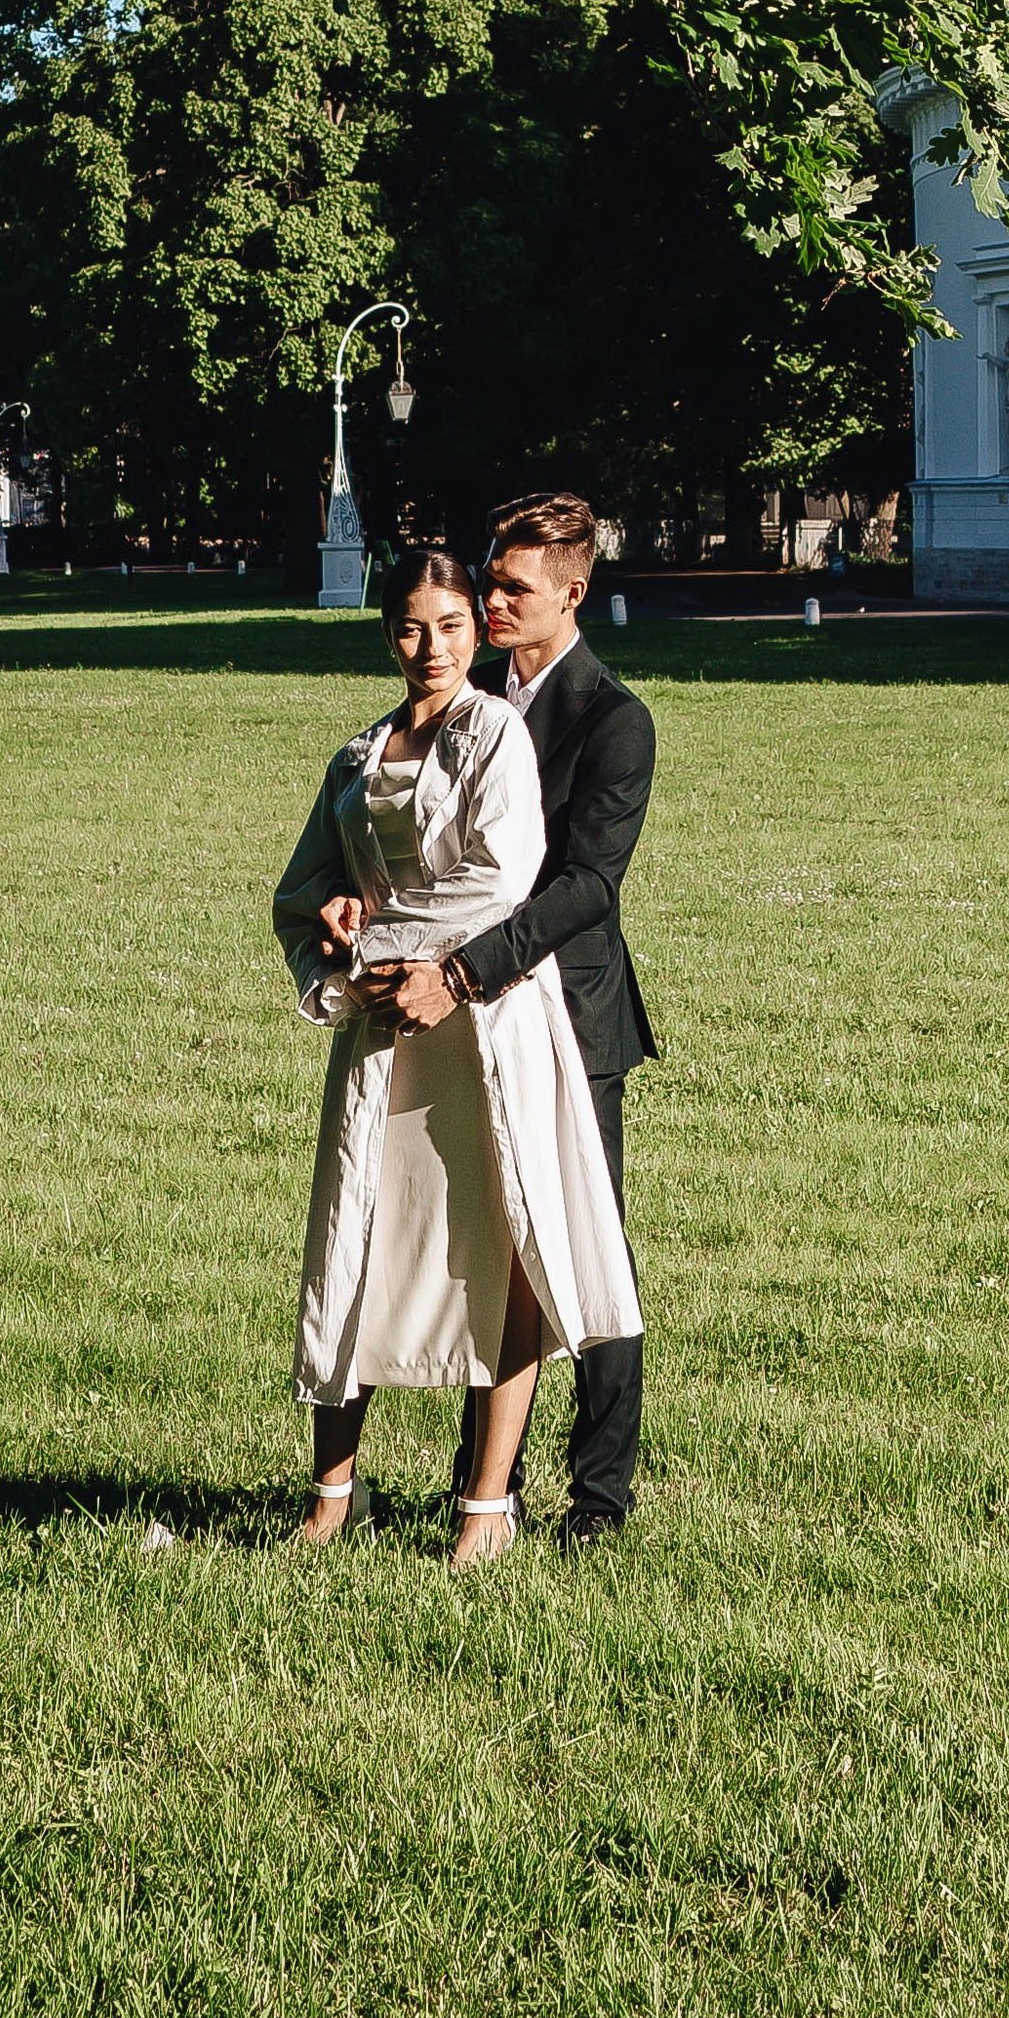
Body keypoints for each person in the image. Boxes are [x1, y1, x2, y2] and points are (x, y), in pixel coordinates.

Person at [270, 544, 640, 1567]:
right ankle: (332, 1497)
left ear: (475, 631)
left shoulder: (495, 734)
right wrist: (338, 950)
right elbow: (300, 895)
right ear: (387, 633)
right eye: (409, 626)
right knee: (354, 1241)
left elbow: (503, 877)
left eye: (450, 625)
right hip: (381, 1031)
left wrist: (383, 941)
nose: (430, 646)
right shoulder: (356, 754)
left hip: (482, 1022)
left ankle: (487, 1509)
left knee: (500, 1249)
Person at [361, 489, 656, 1551]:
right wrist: (360, 904)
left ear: (572, 594)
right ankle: (486, 1488)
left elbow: (586, 887)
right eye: (487, 580)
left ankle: (601, 1497)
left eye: (512, 586)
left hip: (568, 1016)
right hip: (458, 1015)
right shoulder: (467, 696)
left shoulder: (614, 720)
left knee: (580, 1248)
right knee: (484, 1251)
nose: (489, 601)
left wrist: (465, 969)